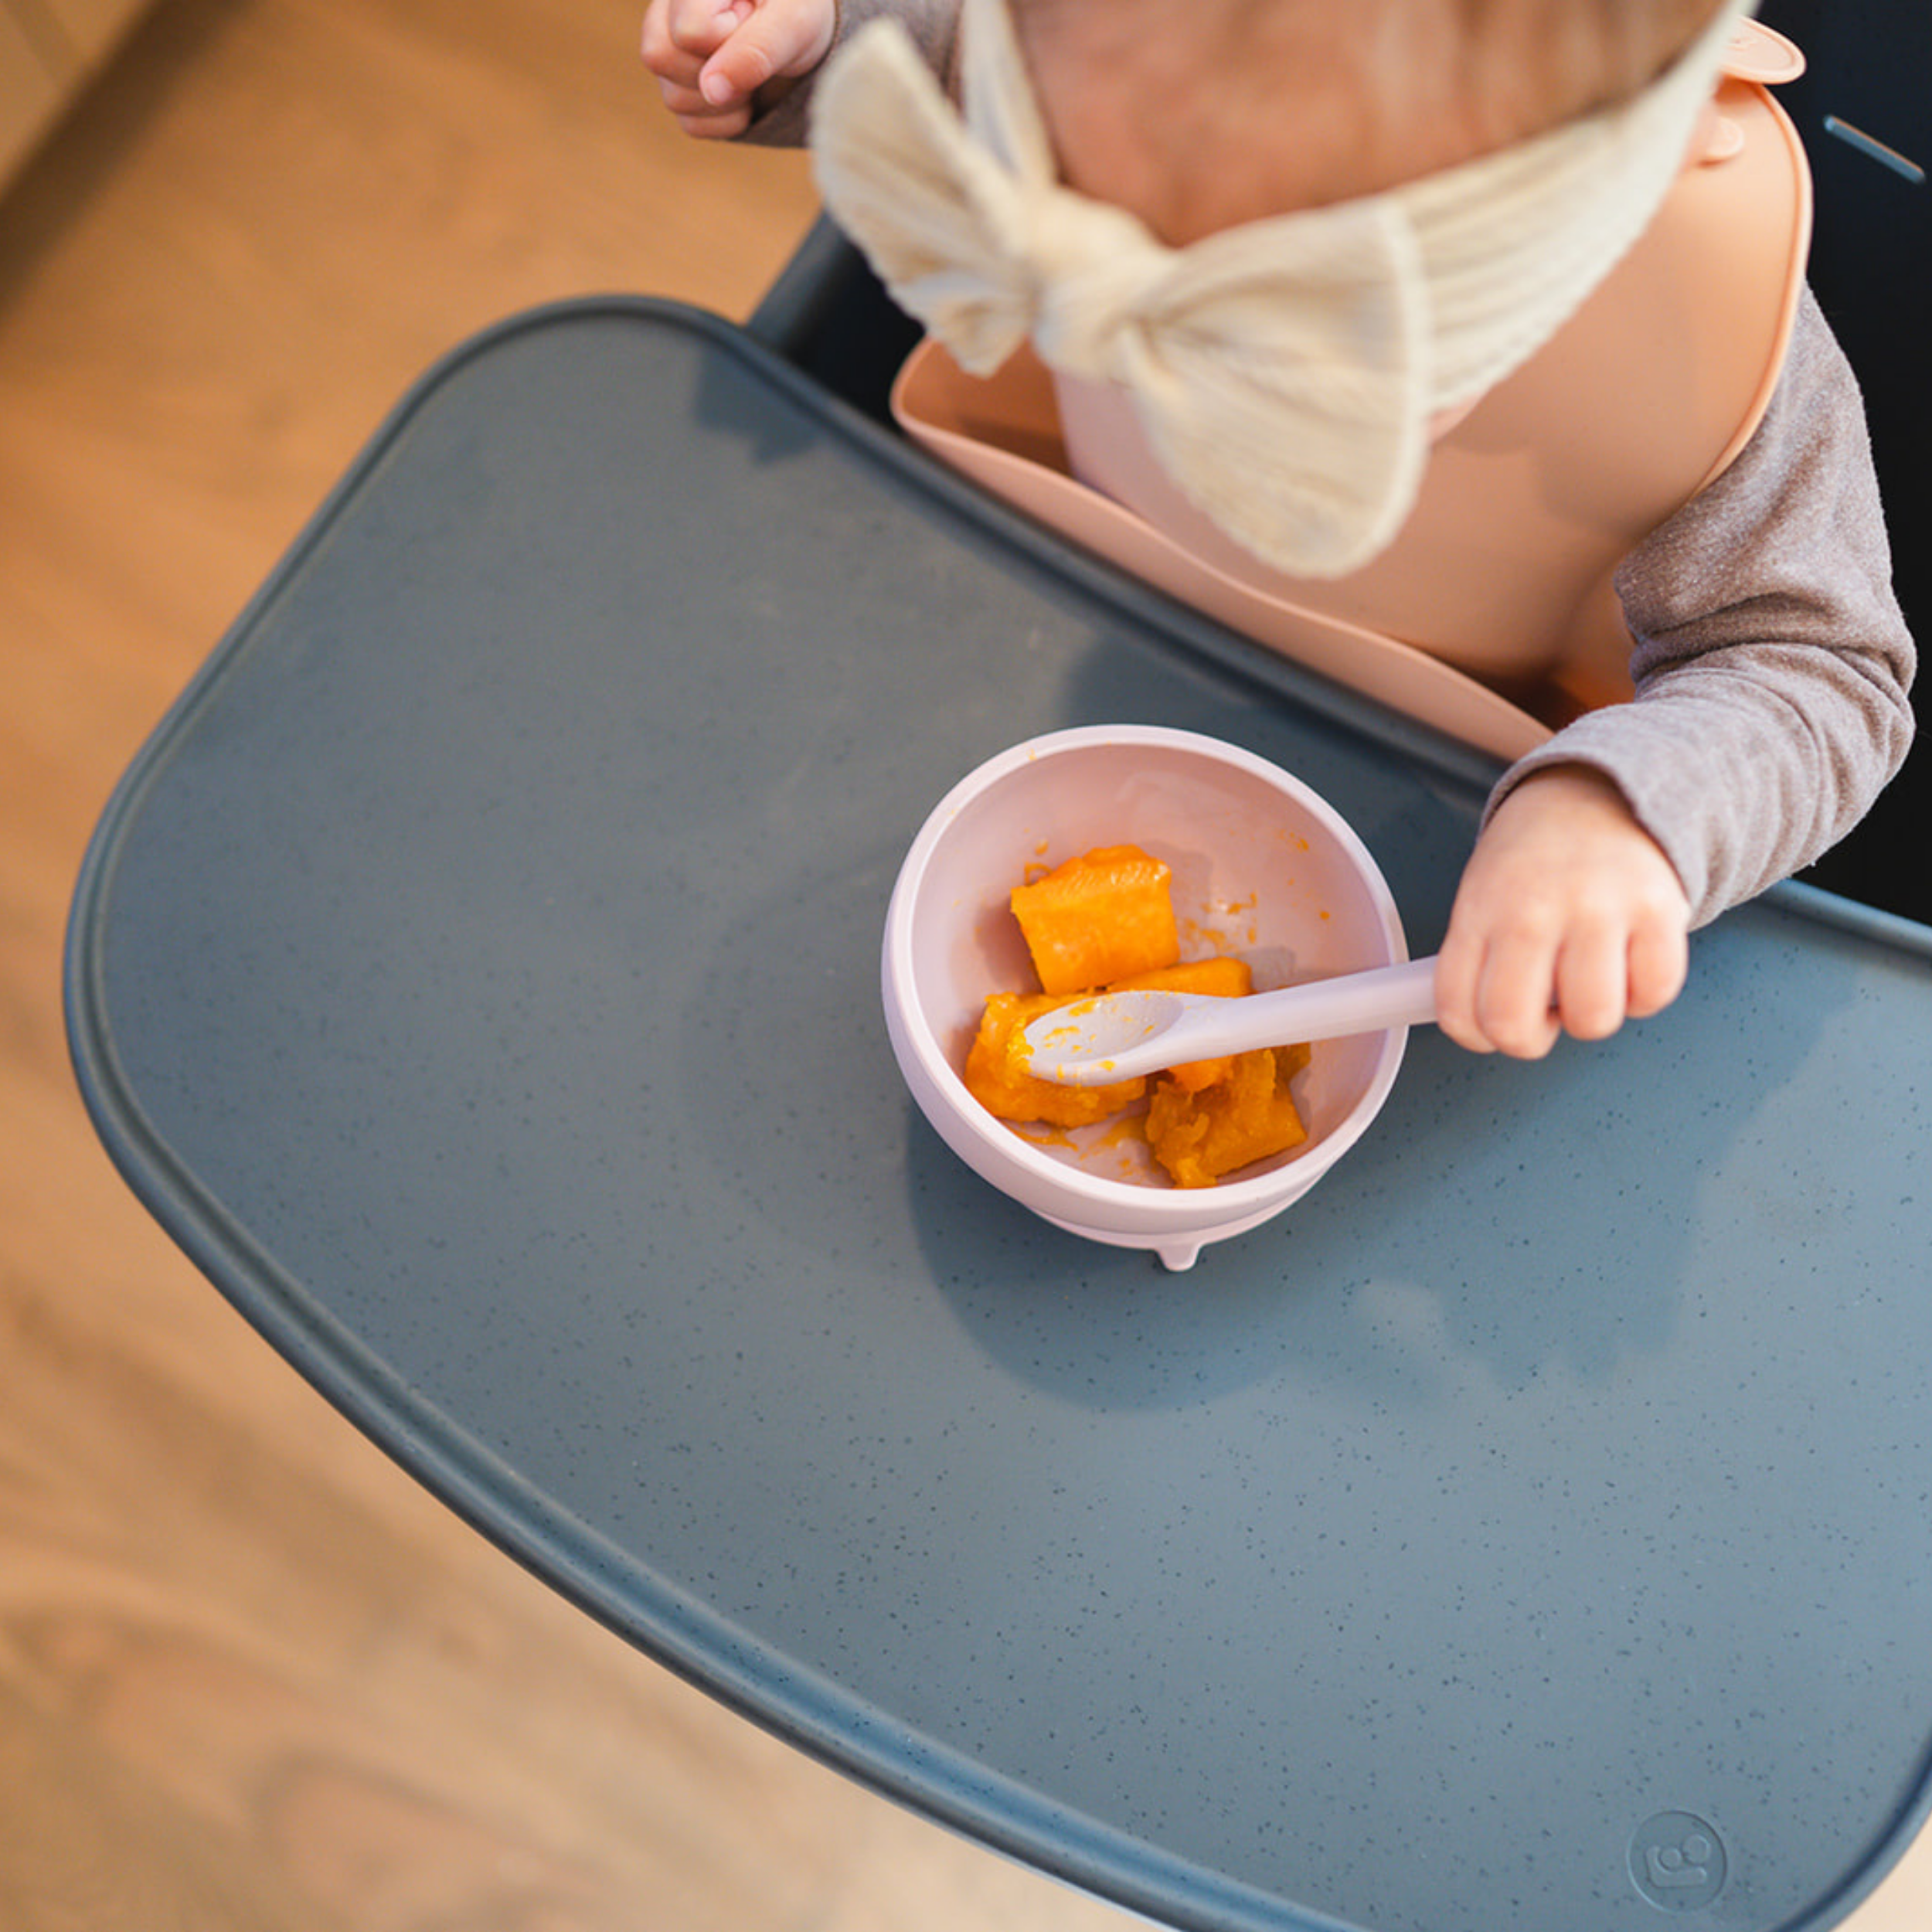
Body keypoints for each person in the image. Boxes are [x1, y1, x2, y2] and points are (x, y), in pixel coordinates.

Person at [641, 0, 1914, 1060]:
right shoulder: (1127, 51)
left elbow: (1822, 674)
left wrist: (1623, 813)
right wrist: (810, 48)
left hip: (1416, 784)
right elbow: (954, 64)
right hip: (1034, 592)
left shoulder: (1711, 334)